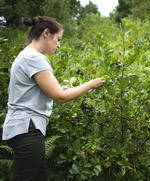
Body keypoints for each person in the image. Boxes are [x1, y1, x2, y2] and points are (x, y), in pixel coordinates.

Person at [1, 16, 106, 181]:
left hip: (23, 128)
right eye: (58, 39)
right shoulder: (34, 58)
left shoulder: (26, 55)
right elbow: (60, 97)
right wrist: (91, 84)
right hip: (27, 129)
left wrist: (62, 89)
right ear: (46, 33)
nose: (59, 45)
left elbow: (40, 91)